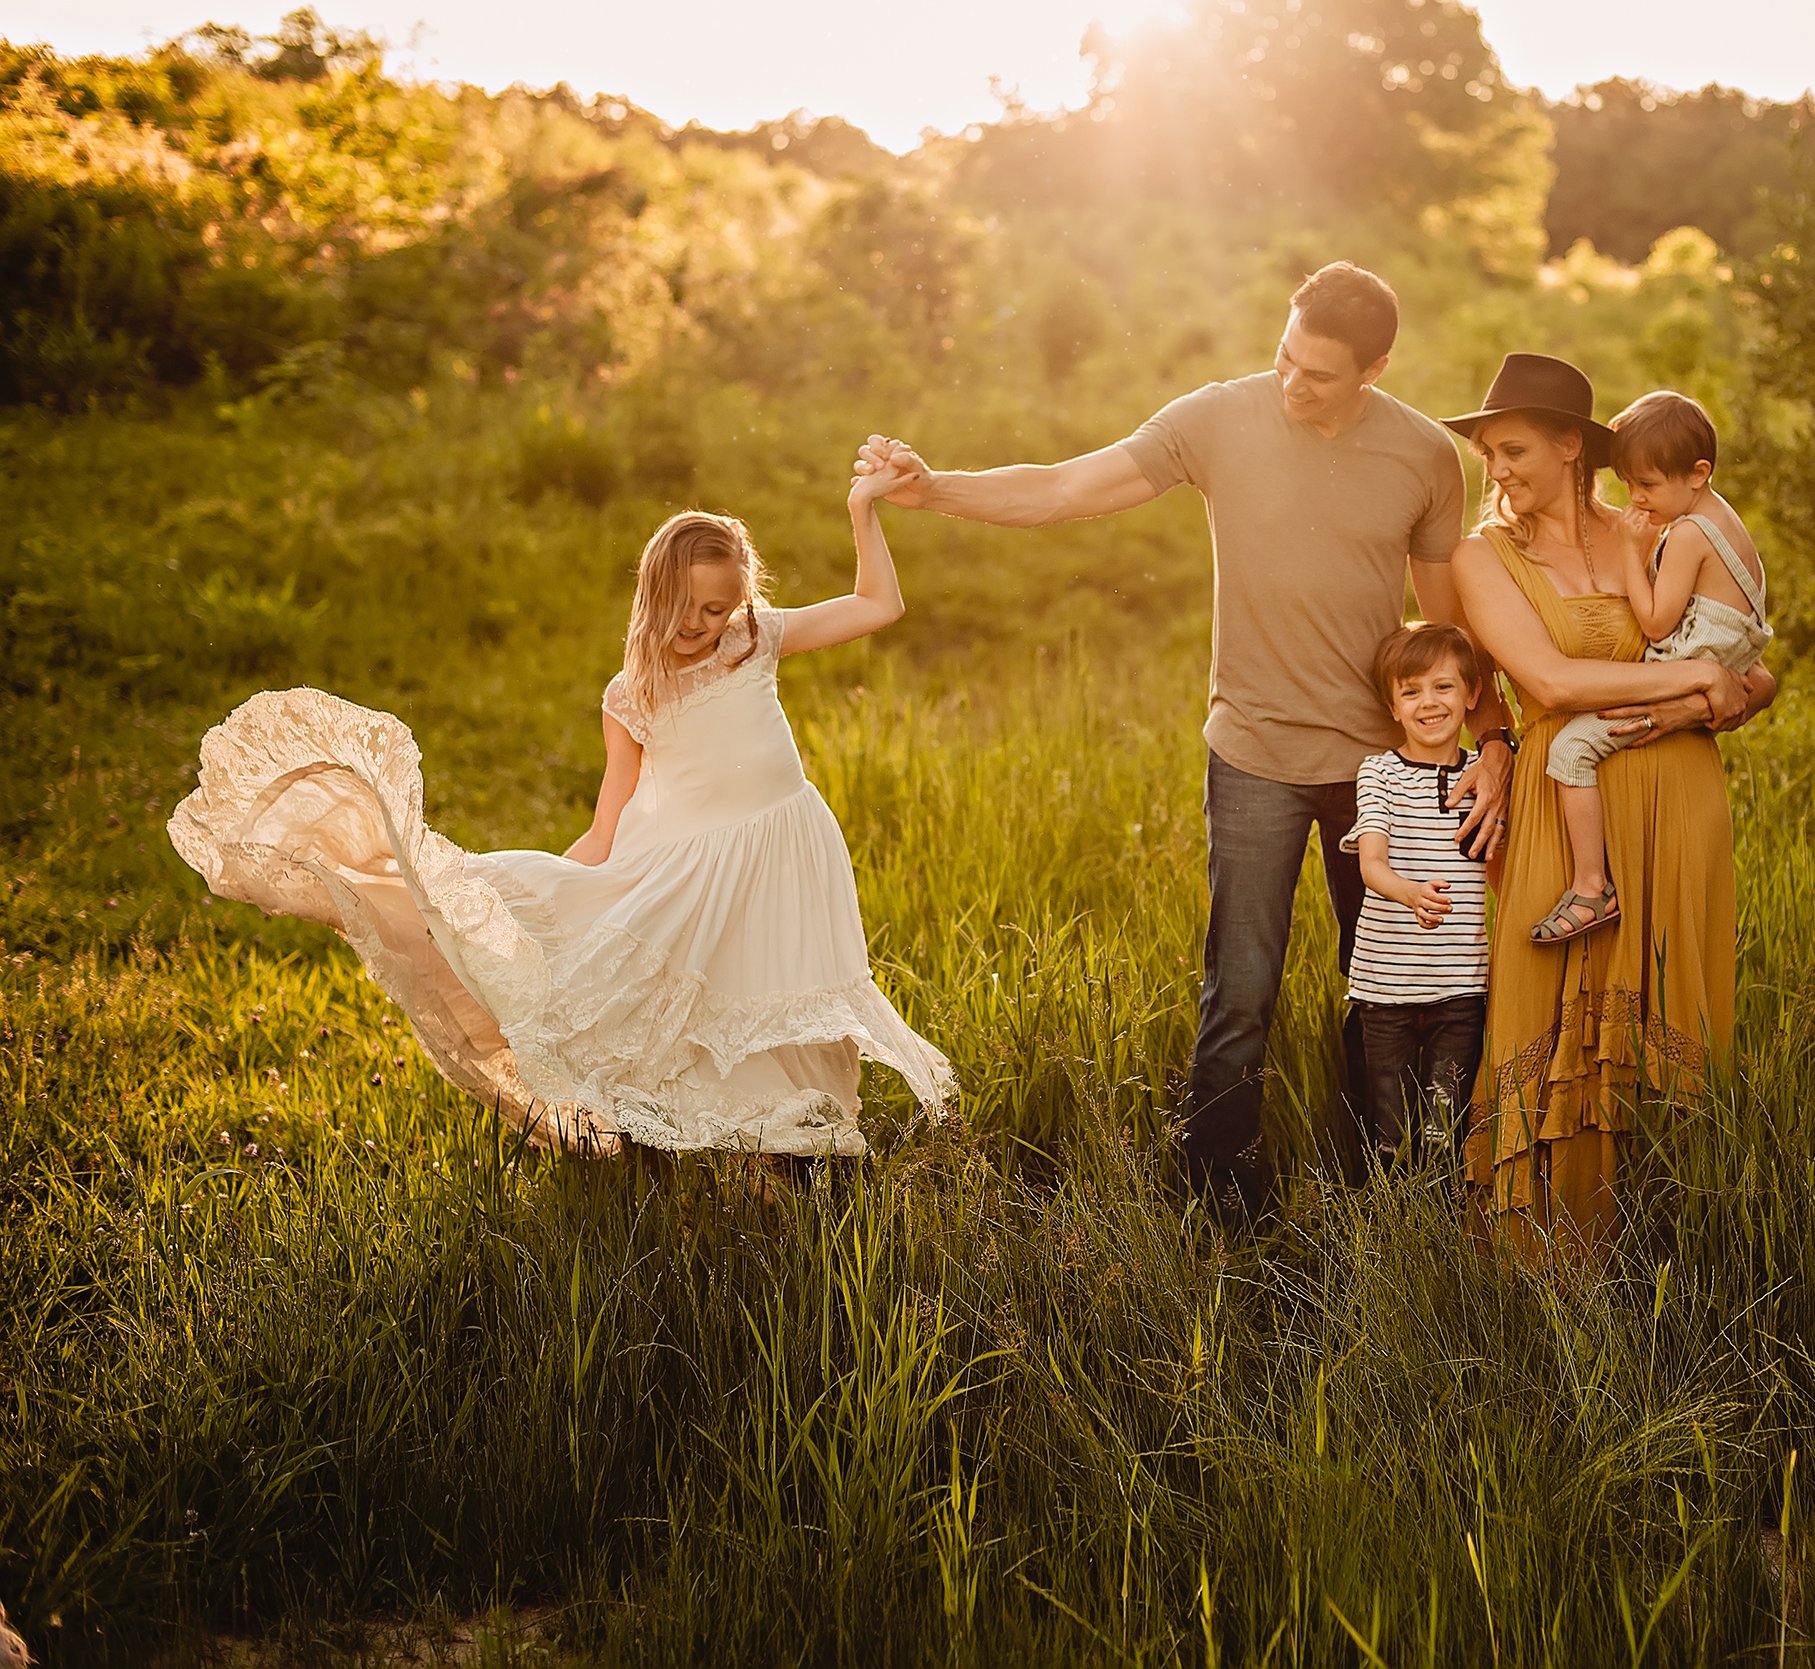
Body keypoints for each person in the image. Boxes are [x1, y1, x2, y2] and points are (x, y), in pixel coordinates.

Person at [856, 262, 1513, 1223]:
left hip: (1378, 769)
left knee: (1388, 991)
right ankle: (1216, 1203)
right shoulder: (1217, 418)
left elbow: (1445, 632)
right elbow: (1064, 489)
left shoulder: (1423, 458)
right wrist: (931, 490)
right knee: (1238, 992)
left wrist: (1490, 739)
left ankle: (1394, 1192)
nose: (1292, 383)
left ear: (1376, 368)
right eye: (1285, 358)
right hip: (1251, 756)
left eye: (1320, 374)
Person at [168, 471, 953, 1160]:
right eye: (685, 606)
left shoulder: (755, 640)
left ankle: (794, 1143)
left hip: (786, 851)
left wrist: (863, 509)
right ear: (652, 595)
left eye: (717, 607)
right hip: (695, 870)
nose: (700, 624)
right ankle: (677, 1135)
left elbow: (880, 603)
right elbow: (610, 817)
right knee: (655, 998)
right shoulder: (633, 694)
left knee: (782, 995)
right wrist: (544, 907)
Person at [1440, 353, 1776, 1259]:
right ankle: (1546, 1259)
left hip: (1678, 790)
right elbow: (1546, 681)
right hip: (1564, 793)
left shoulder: (1652, 527)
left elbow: (1738, 653)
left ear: (1568, 446)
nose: (1498, 469)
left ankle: (1684, 1248)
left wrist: (1739, 686)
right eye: (1488, 453)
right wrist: (1700, 677)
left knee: (1668, 1006)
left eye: (1513, 449)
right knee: (1547, 1003)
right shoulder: (1482, 556)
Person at [1531, 391, 1771, 943]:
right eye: (1627, 485)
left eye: (1647, 485)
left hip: (1676, 672)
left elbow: (1658, 622)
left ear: (1698, 473)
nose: (1636, 499)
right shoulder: (1725, 520)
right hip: (1711, 670)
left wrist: (1629, 553)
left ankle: (1592, 887)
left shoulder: (1687, 534)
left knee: (1569, 749)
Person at [1340, 622, 1493, 1172]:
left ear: (1472, 695)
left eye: (1444, 687)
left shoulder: (1486, 775)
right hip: (1385, 990)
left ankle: (1442, 1234)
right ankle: (1393, 1233)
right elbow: (1372, 862)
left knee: (1444, 1127)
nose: (1429, 702)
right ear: (1394, 705)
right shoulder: (1379, 772)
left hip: (1461, 990)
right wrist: (1409, 893)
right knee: (1390, 1129)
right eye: (1412, 691)